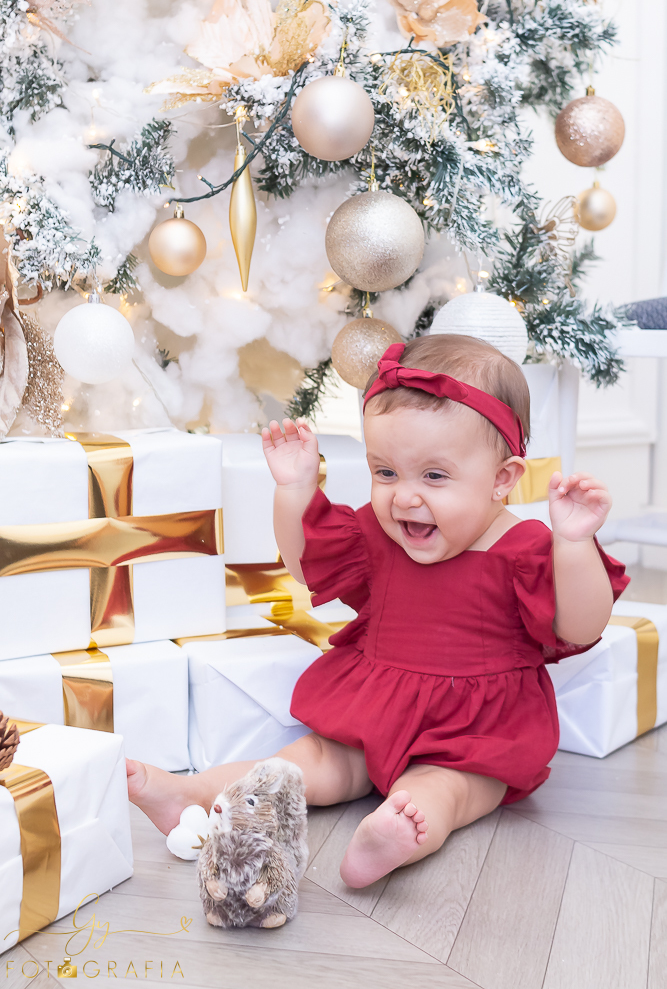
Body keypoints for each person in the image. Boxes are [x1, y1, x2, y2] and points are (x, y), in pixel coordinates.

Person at [127, 334, 628, 889]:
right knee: (310, 759)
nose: (404, 497)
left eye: (434, 476)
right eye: (385, 472)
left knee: (448, 789)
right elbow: (303, 563)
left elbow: (581, 626)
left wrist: (576, 544)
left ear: (503, 480)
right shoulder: (378, 532)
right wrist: (295, 488)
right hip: (375, 708)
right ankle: (196, 792)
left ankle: (393, 836)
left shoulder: (528, 549)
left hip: (475, 731)